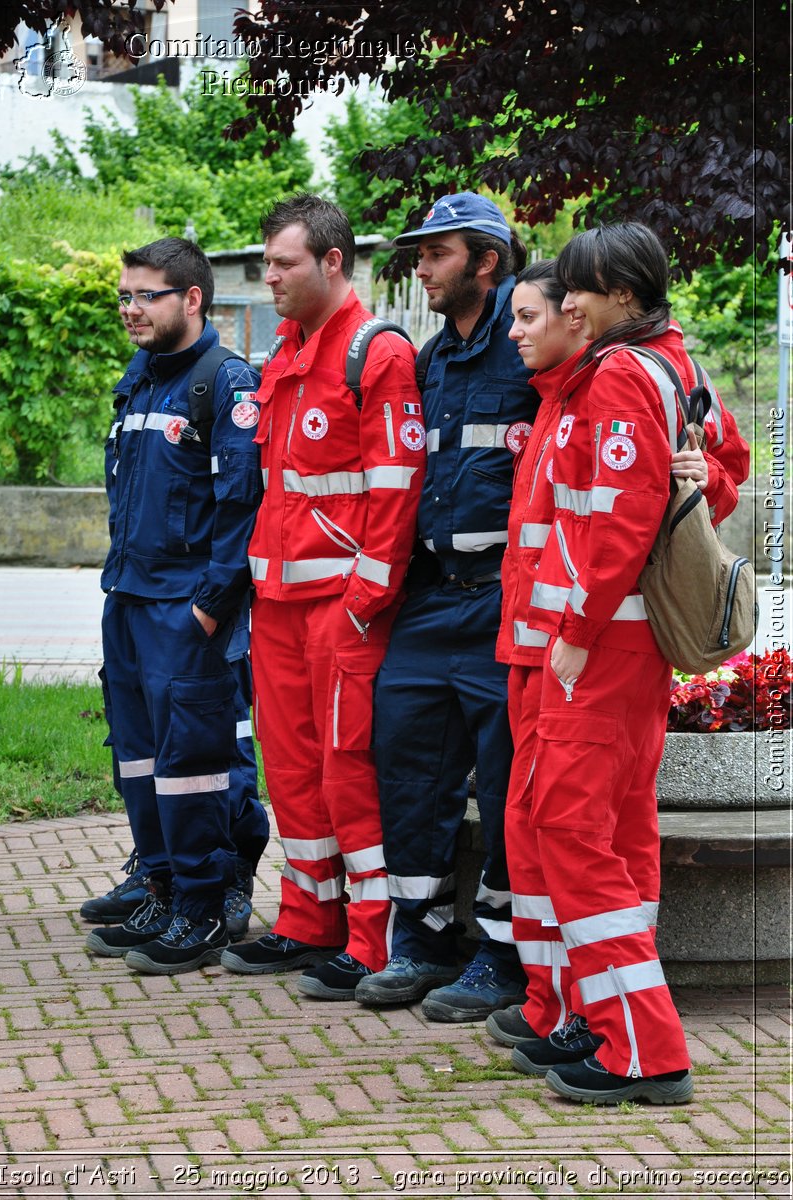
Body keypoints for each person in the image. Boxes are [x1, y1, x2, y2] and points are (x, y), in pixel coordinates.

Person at [496, 223, 750, 1104]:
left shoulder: (616, 374)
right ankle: (600, 1021)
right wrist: (701, 483)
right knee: (617, 831)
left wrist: (572, 625)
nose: (565, 304)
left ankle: (639, 1045)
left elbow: (616, 515)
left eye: (579, 291)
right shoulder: (676, 365)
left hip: (598, 644)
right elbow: (725, 466)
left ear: (625, 298)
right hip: (625, 646)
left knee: (568, 828)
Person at [221, 194, 425, 999]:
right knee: (293, 769)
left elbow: (395, 491)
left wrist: (361, 604)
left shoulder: (376, 354)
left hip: (344, 609)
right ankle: (308, 921)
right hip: (276, 605)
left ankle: (370, 943)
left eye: (283, 263)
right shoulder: (285, 353)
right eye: (266, 262)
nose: (268, 276)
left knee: (348, 772)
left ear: (332, 262)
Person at [356, 192, 535, 1022]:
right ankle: (422, 939)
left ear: (486, 261)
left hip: (504, 598)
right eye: (418, 254)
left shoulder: (532, 347)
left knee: (504, 790)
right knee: (407, 768)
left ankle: (499, 959)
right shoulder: (430, 361)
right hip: (430, 602)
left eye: (436, 253)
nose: (419, 267)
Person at [84, 236, 269, 974]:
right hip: (127, 599)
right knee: (137, 760)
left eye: (145, 295)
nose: (130, 308)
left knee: (195, 763)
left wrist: (210, 605)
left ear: (191, 298)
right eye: (124, 296)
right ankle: (159, 887)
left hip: (186, 610)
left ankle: (205, 903)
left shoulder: (223, 383)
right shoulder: (140, 379)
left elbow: (243, 507)